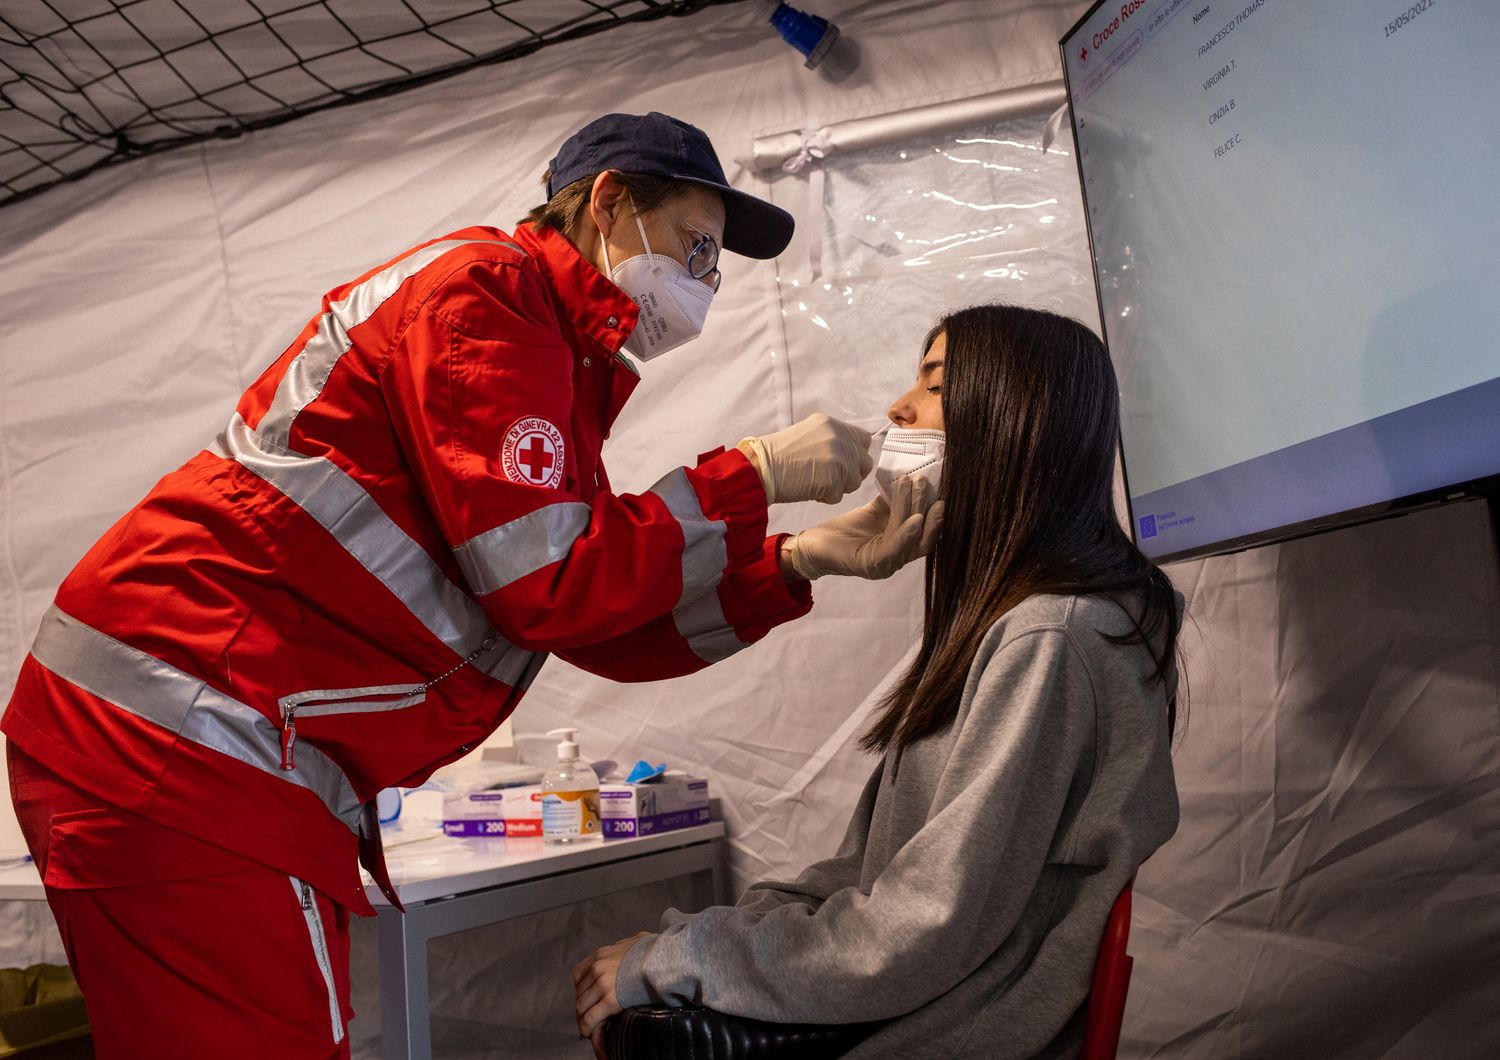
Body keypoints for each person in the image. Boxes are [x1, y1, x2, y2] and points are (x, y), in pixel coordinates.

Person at [1, 112, 940, 1059]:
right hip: (183, 732)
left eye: (714, 266)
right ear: (610, 201)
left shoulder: (554, 364)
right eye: (695, 247)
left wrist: (794, 561)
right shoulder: (485, 297)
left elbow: (590, 613)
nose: (702, 284)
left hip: (203, 740)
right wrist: (751, 473)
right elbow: (550, 589)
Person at [573, 304, 1183, 1059]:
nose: (898, 406)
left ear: (1014, 415)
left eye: (933, 382)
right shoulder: (1019, 626)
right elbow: (871, 875)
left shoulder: (1049, 637)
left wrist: (681, 960)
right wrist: (704, 942)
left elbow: (919, 927)